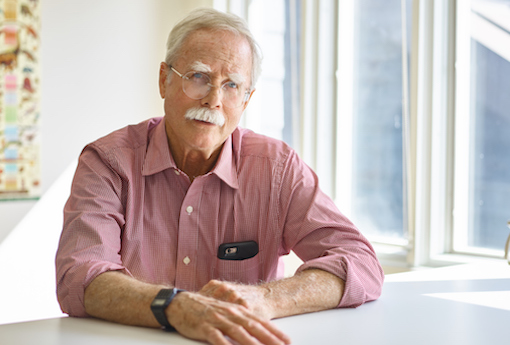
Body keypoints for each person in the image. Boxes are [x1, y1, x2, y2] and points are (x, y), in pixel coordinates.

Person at [55, 7, 384, 345]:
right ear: (164, 80)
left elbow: (360, 263)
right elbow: (79, 277)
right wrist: (175, 306)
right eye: (198, 77)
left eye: (231, 85)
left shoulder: (276, 167)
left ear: (246, 99)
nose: (214, 100)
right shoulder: (108, 162)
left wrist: (267, 299)